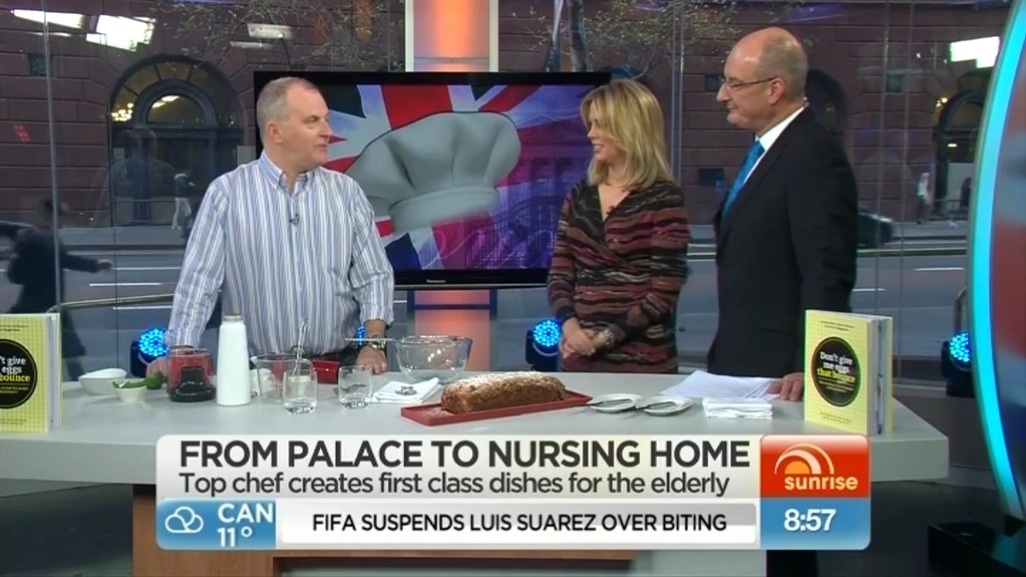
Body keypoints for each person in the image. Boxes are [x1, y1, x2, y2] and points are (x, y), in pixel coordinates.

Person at [710, 27, 859, 577]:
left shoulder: (813, 156)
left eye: (734, 84)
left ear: (775, 88)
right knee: (746, 528)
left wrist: (808, 363)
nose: (722, 95)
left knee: (783, 534)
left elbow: (826, 271)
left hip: (781, 378)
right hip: (742, 366)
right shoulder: (767, 151)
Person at [147, 76, 395, 376]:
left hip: (336, 369)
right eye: (312, 121)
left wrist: (373, 344)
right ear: (275, 131)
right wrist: (181, 354)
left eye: (326, 120)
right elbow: (199, 283)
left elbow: (374, 276)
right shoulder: (227, 193)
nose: (328, 131)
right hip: (258, 375)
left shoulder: (346, 192)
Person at [546, 79, 691, 374]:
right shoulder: (579, 195)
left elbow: (663, 292)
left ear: (628, 129)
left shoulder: (663, 198)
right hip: (579, 359)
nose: (591, 133)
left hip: (642, 364)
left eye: (601, 125)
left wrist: (604, 339)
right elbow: (560, 274)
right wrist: (571, 329)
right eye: (591, 124)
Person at [5, 200, 112, 381]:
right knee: (62, 341)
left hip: (43, 298)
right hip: (42, 299)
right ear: (52, 214)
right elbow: (17, 273)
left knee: (62, 341)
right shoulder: (37, 237)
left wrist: (95, 265)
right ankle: (75, 378)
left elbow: (61, 260)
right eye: (63, 215)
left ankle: (74, 377)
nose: (65, 220)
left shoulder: (39, 236)